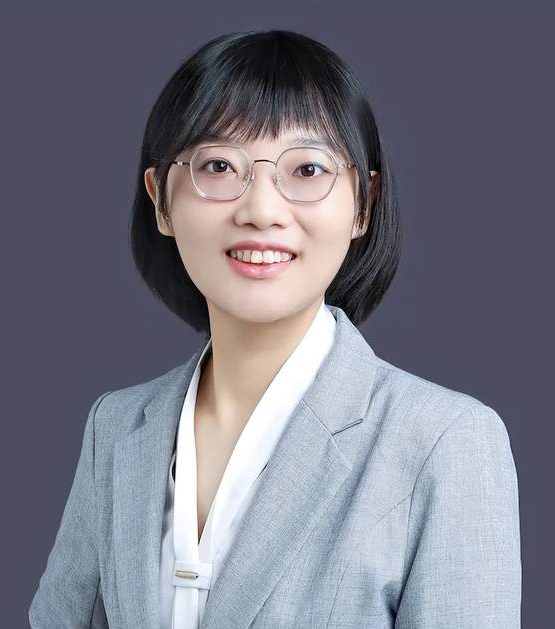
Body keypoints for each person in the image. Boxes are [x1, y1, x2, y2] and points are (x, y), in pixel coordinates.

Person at [29, 29, 521, 629]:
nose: (261, 211)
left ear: (364, 203)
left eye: (308, 169)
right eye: (218, 166)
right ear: (160, 200)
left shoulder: (445, 442)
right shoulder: (116, 427)